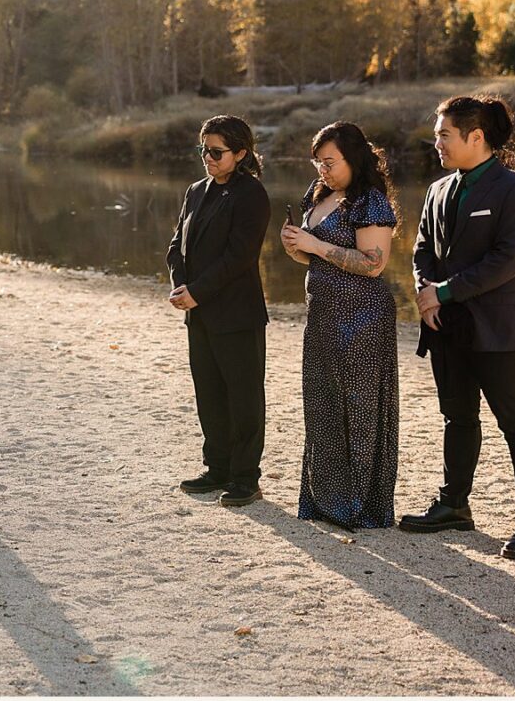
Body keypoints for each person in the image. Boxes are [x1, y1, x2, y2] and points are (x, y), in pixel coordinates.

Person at [401, 94, 515, 559]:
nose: (437, 143)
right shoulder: (437, 190)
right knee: (457, 417)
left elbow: (509, 260)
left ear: (476, 137)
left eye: (444, 135)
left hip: (497, 329)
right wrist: (425, 292)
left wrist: (444, 292)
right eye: (437, 135)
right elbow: (421, 250)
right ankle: (454, 505)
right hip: (445, 326)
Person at [280, 121, 400, 530]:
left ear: (354, 158)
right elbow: (312, 257)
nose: (323, 170)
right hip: (322, 314)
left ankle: (360, 506)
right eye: (318, 162)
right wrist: (296, 247)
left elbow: (373, 264)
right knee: (323, 404)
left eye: (330, 162)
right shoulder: (319, 194)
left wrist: (314, 244)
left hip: (362, 317)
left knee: (359, 409)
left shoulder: (370, 201)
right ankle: (326, 501)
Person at [168, 115, 271, 507]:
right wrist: (180, 285)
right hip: (198, 313)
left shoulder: (251, 194)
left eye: (216, 152)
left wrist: (197, 291)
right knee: (209, 394)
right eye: (203, 150)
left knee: (243, 398)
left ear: (240, 153)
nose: (207, 158)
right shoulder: (196, 190)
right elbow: (177, 246)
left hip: (237, 314)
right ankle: (217, 469)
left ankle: (245, 478)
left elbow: (239, 257)